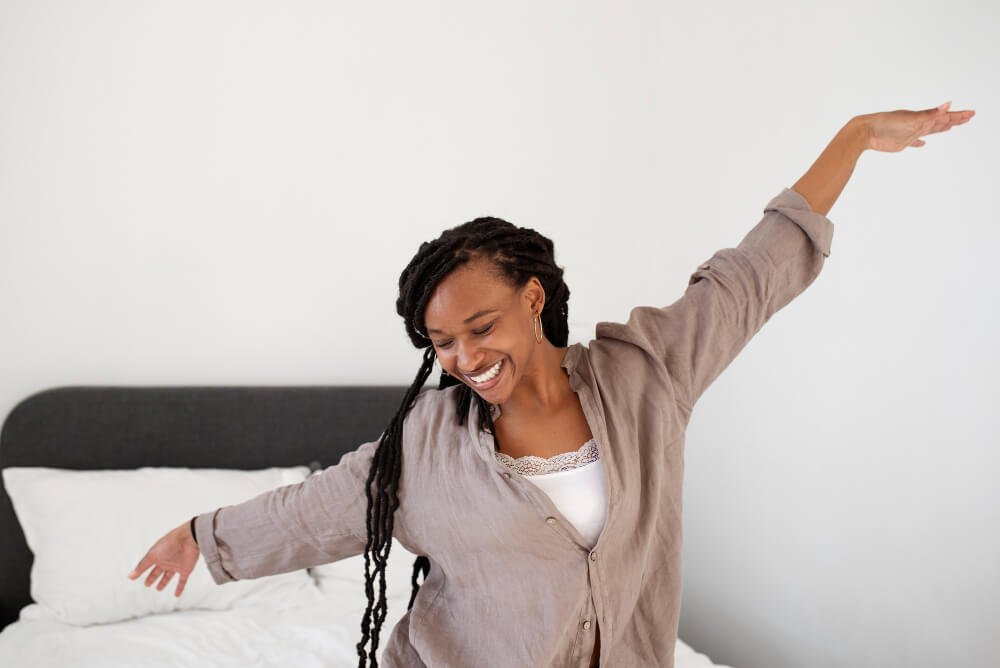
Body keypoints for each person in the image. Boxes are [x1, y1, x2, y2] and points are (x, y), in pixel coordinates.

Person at [128, 102, 974, 667]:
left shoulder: (646, 374)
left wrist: (855, 137)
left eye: (481, 327)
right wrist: (204, 535)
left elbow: (748, 277)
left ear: (533, 299)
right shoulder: (423, 444)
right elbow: (318, 509)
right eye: (441, 342)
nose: (463, 357)